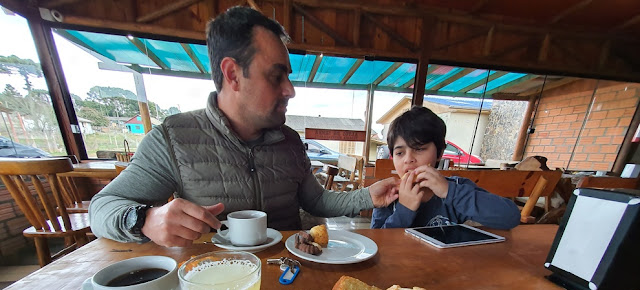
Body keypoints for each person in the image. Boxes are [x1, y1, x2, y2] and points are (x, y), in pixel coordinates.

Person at [89, 6, 398, 247]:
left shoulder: (290, 141)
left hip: (291, 276)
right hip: (220, 283)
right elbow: (102, 208)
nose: (290, 90)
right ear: (232, 75)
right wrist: (145, 219)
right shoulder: (174, 138)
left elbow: (316, 201)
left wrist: (368, 196)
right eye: (277, 76)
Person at [371, 106, 521, 229]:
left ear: (440, 153)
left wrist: (449, 192)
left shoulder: (456, 188)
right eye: (400, 153)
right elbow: (378, 245)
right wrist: (404, 210)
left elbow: (510, 217)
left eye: (419, 148)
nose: (408, 159)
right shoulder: (388, 196)